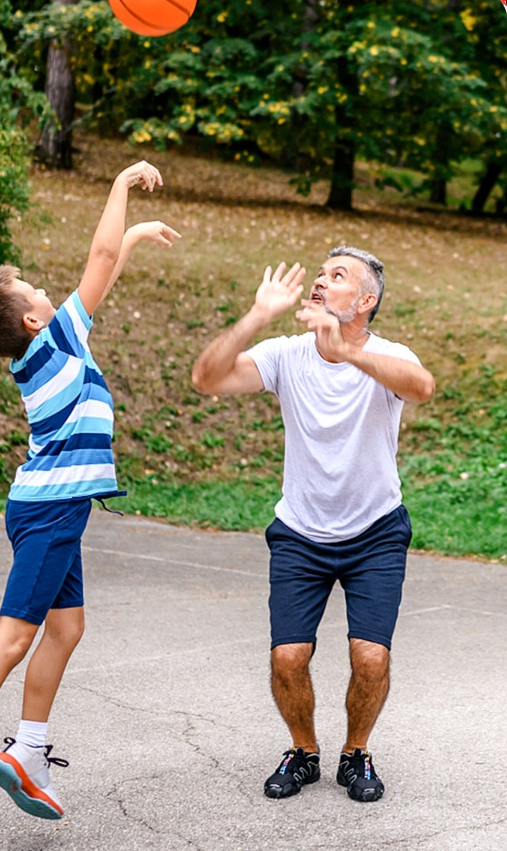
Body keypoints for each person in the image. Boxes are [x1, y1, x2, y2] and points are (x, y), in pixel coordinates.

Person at [0, 161, 180, 838]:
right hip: (50, 509)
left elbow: (105, 269)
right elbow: (101, 256)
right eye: (39, 290)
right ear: (34, 319)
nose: (52, 292)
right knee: (12, 639)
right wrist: (121, 185)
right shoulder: (56, 341)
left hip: (54, 507)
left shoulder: (53, 343)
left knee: (65, 627)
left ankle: (27, 750)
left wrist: (138, 233)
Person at [191, 247, 434, 804]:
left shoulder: (390, 356)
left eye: (338, 276)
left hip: (376, 532)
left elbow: (420, 387)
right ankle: (303, 752)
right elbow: (207, 378)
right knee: (287, 657)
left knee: (370, 656)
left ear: (365, 301)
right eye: (321, 273)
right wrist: (256, 316)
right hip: (301, 533)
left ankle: (356, 753)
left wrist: (349, 354)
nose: (321, 281)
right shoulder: (287, 354)